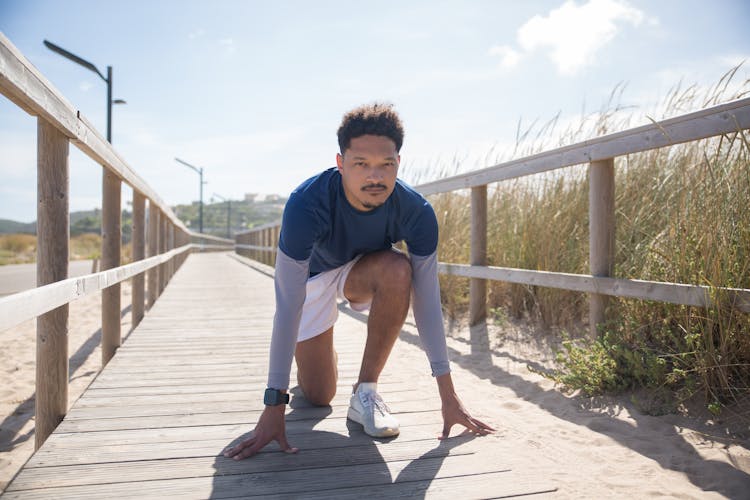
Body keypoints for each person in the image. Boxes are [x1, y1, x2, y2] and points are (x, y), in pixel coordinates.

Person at [224, 103, 494, 460]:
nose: (375, 177)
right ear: (340, 164)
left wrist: (448, 395)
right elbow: (288, 304)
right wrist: (274, 404)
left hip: (366, 270)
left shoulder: (416, 212)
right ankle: (321, 353)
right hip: (314, 278)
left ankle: (366, 391)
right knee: (319, 395)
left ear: (399, 162)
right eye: (361, 164)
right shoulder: (306, 204)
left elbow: (427, 301)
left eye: (386, 164)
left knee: (400, 269)